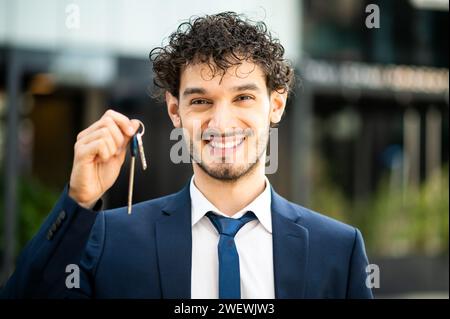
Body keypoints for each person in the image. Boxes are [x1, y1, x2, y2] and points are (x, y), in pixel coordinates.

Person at [1, 12, 373, 299]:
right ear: (175, 111)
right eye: (200, 101)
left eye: (243, 97)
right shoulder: (110, 239)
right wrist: (78, 201)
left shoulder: (338, 250)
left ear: (276, 104)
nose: (221, 121)